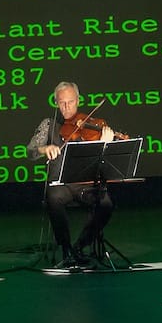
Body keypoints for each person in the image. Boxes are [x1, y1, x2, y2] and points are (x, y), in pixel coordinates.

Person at [28, 81, 116, 268]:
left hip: (86, 183)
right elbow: (30, 151)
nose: (67, 107)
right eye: (62, 103)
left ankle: (80, 246)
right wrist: (45, 148)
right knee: (53, 198)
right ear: (56, 103)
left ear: (77, 100)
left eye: (70, 102)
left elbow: (104, 161)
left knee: (106, 203)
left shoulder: (90, 124)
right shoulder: (49, 124)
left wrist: (105, 143)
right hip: (61, 184)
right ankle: (66, 248)